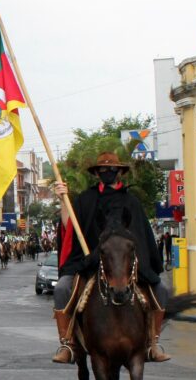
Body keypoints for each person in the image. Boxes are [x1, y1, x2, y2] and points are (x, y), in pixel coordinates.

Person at [51, 152, 171, 364]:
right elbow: (70, 227)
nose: (108, 172)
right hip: (90, 262)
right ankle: (67, 344)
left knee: (161, 289)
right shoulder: (85, 199)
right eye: (103, 170)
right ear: (97, 173)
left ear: (120, 172)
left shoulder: (131, 202)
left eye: (112, 169)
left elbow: (142, 235)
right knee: (61, 288)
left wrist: (137, 260)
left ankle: (152, 342)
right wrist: (63, 201)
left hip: (125, 263)